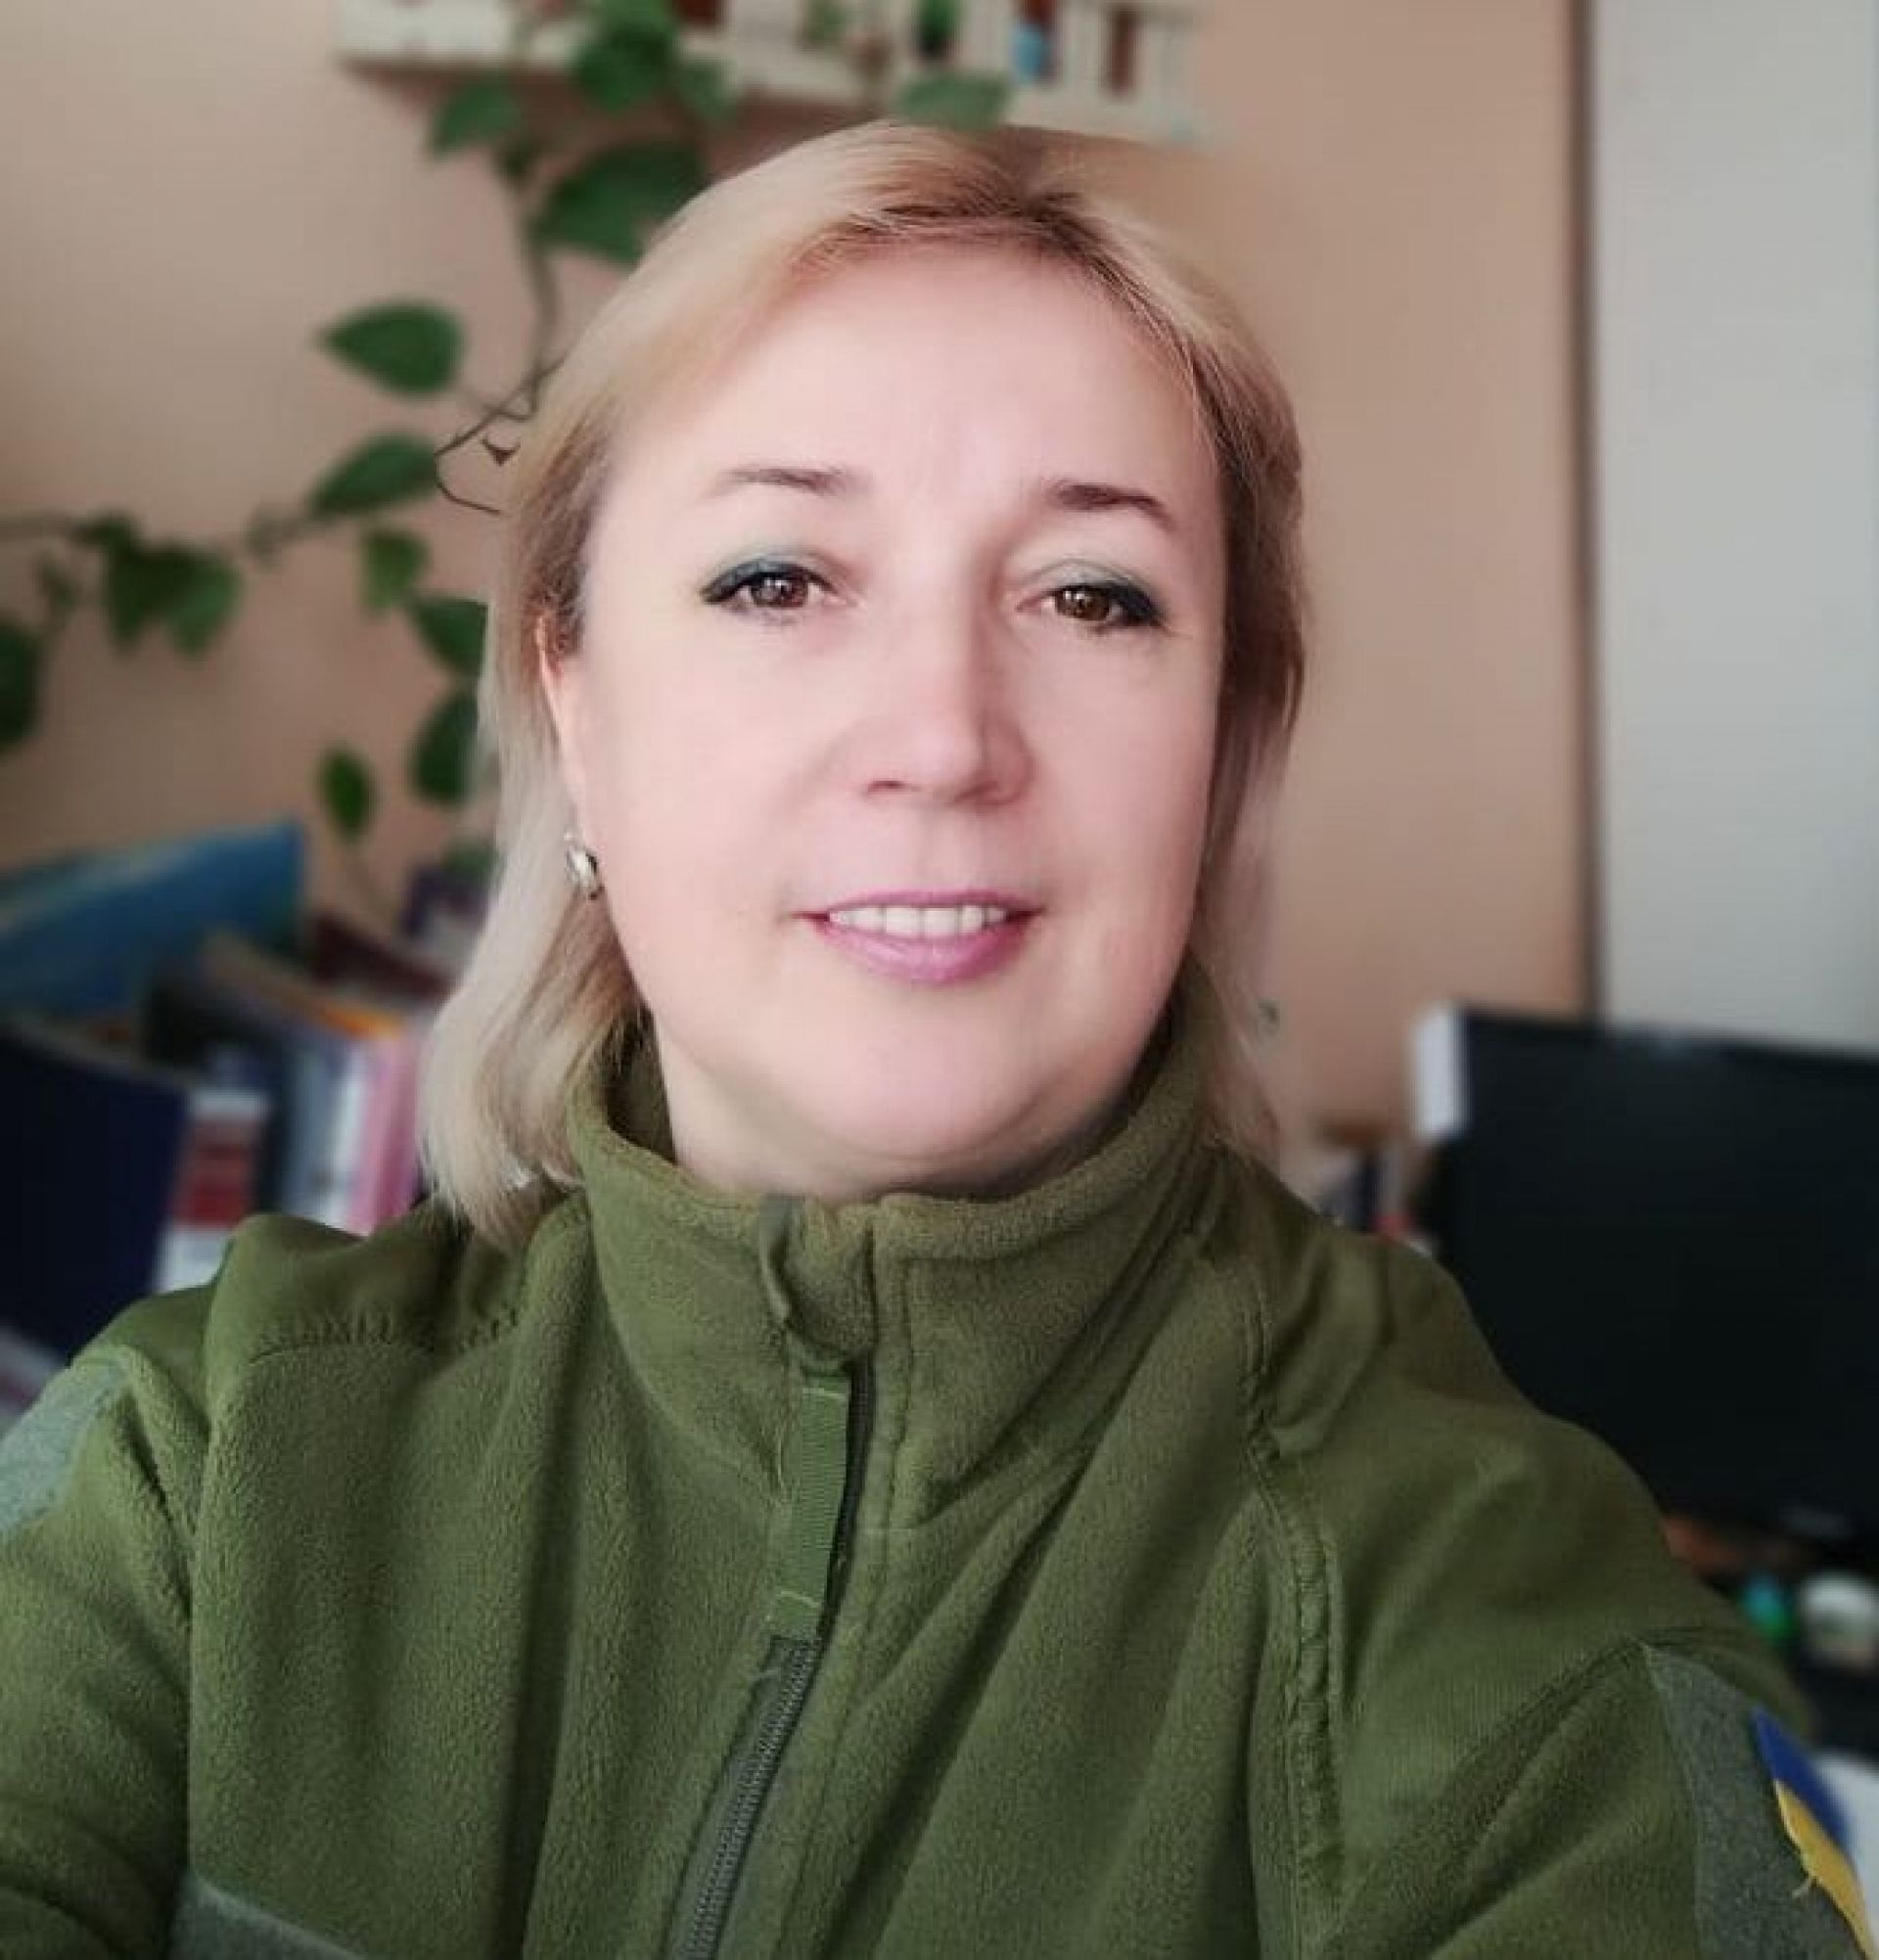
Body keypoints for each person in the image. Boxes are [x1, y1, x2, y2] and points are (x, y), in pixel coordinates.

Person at [0, 123, 1869, 1960]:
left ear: (1221, 750)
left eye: (1091, 595)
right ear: (573, 697)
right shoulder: (195, 1470)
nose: (945, 736)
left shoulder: (1512, 1659)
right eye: (777, 579)